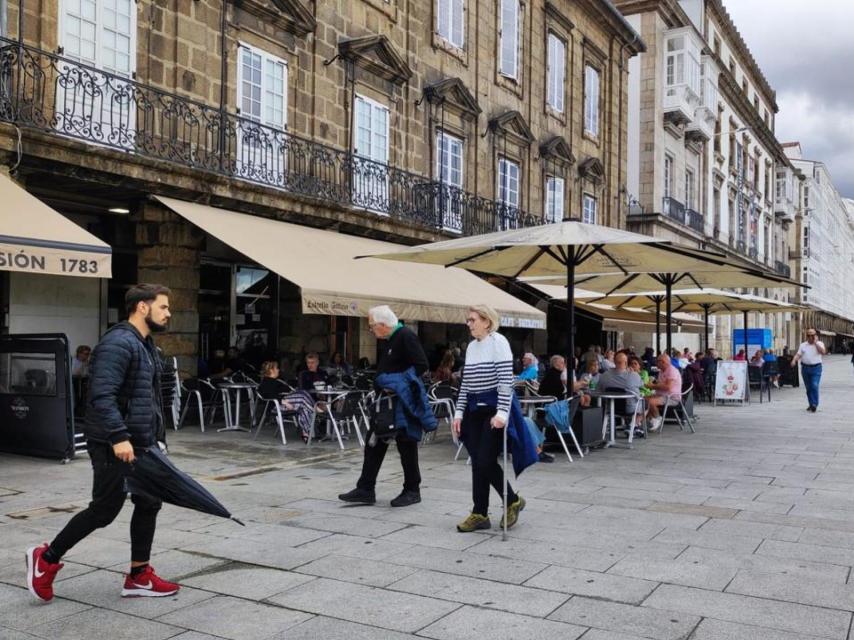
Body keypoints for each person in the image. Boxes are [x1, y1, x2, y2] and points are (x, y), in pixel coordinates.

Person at [26, 284, 179, 602]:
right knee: (105, 510)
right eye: (163, 306)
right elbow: (101, 395)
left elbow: (146, 398)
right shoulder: (118, 343)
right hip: (115, 443)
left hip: (142, 442)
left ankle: (139, 576)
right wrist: (118, 436)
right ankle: (46, 559)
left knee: (149, 501)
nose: (168, 313)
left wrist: (157, 438)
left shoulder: (145, 344)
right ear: (142, 307)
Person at [452, 305, 536, 533]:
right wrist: (458, 413)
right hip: (474, 410)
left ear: (487, 322)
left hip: (493, 408)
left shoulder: (498, 342)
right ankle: (480, 512)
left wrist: (501, 413)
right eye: (468, 320)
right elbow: (466, 384)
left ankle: (511, 501)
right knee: (478, 462)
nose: (469, 324)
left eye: (473, 320)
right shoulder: (472, 346)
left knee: (484, 460)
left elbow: (505, 382)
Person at [339, 306, 433, 507]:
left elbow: (421, 364)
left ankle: (412, 490)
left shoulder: (405, 336)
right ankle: (365, 488)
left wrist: (397, 383)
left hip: (401, 402)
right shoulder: (391, 339)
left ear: (382, 324)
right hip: (385, 404)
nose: (371, 330)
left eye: (372, 326)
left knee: (406, 444)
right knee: (374, 442)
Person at [257, 361, 315, 442]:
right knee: (303, 396)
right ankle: (315, 409)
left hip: (285, 402)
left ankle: (306, 433)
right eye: (276, 368)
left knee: (303, 404)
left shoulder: (276, 381)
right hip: (276, 406)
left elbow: (285, 390)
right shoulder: (266, 382)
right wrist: (283, 401)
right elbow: (268, 395)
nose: (278, 370)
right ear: (271, 370)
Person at [598, 352, 645, 434]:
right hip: (629, 408)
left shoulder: (605, 375)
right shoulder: (633, 375)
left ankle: (633, 426)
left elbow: (599, 388)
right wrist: (633, 372)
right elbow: (641, 384)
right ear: (626, 363)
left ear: (614, 362)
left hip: (610, 408)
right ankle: (633, 425)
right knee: (646, 403)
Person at [792, 328, 827, 412]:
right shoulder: (803, 345)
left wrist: (815, 343)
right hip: (805, 368)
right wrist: (794, 360)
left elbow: (823, 352)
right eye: (808, 335)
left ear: (815, 336)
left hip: (816, 368)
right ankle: (811, 404)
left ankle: (814, 404)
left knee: (814, 385)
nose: (810, 337)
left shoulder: (820, 343)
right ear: (806, 336)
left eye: (812, 335)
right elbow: (798, 354)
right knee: (808, 388)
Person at [645, 354, 682, 432]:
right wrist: (653, 383)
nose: (656, 363)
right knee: (643, 399)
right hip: (662, 395)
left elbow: (668, 387)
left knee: (650, 402)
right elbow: (661, 384)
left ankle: (657, 418)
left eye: (657, 361)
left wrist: (652, 386)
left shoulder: (672, 371)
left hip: (672, 397)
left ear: (663, 362)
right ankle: (646, 421)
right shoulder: (662, 371)